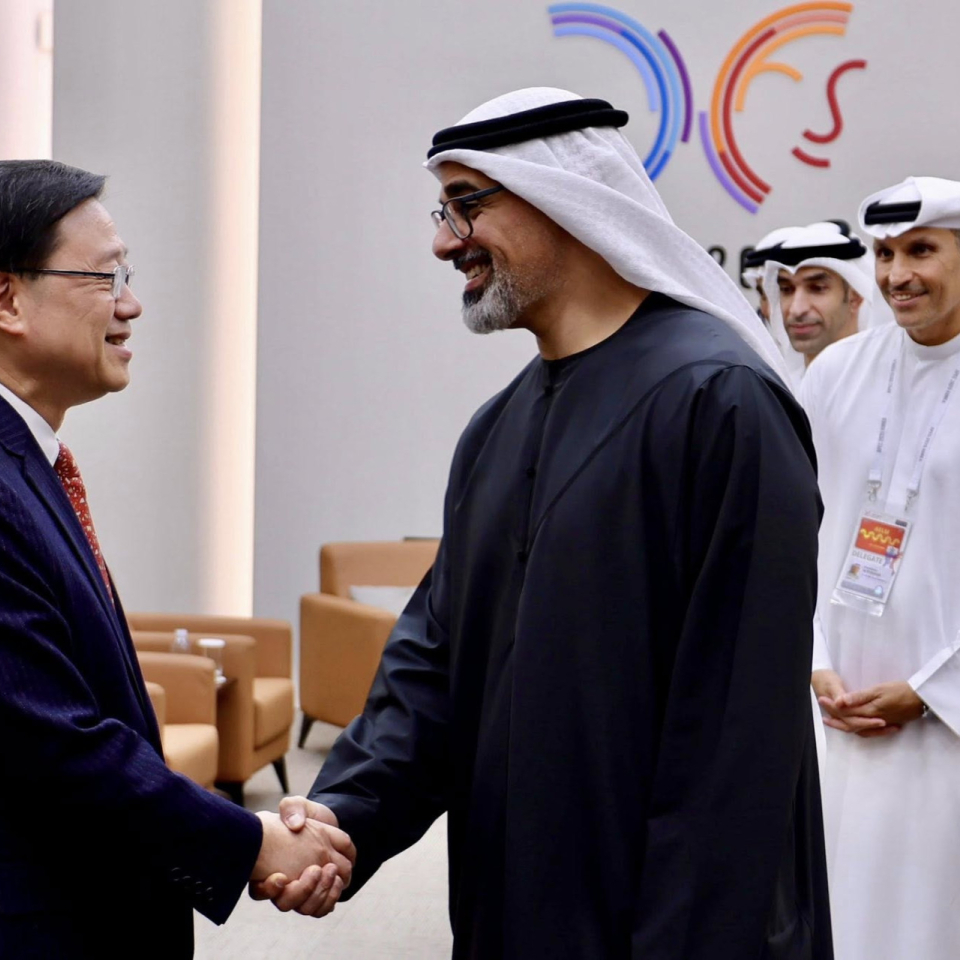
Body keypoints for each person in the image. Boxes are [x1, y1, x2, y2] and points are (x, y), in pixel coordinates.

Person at [260, 88, 832, 959]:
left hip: (672, 925)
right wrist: (343, 817)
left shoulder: (720, 402)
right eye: (442, 209)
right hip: (511, 914)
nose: (445, 241)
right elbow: (434, 667)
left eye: (467, 205)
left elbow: (735, 743)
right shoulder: (496, 428)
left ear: (568, 200)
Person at [0, 160, 353, 959]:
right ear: (5, 297)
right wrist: (252, 844)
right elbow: (57, 747)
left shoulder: (1, 456)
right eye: (105, 275)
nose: (132, 303)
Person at [800, 175, 960, 960]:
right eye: (887, 253)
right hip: (838, 720)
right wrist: (816, 660)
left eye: (922, 251)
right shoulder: (835, 373)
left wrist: (930, 692)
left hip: (948, 739)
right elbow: (797, 530)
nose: (898, 274)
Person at [753, 220, 892, 378]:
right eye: (786, 290)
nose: (797, 310)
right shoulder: (780, 388)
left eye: (817, 288)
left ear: (855, 297)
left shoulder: (884, 381)